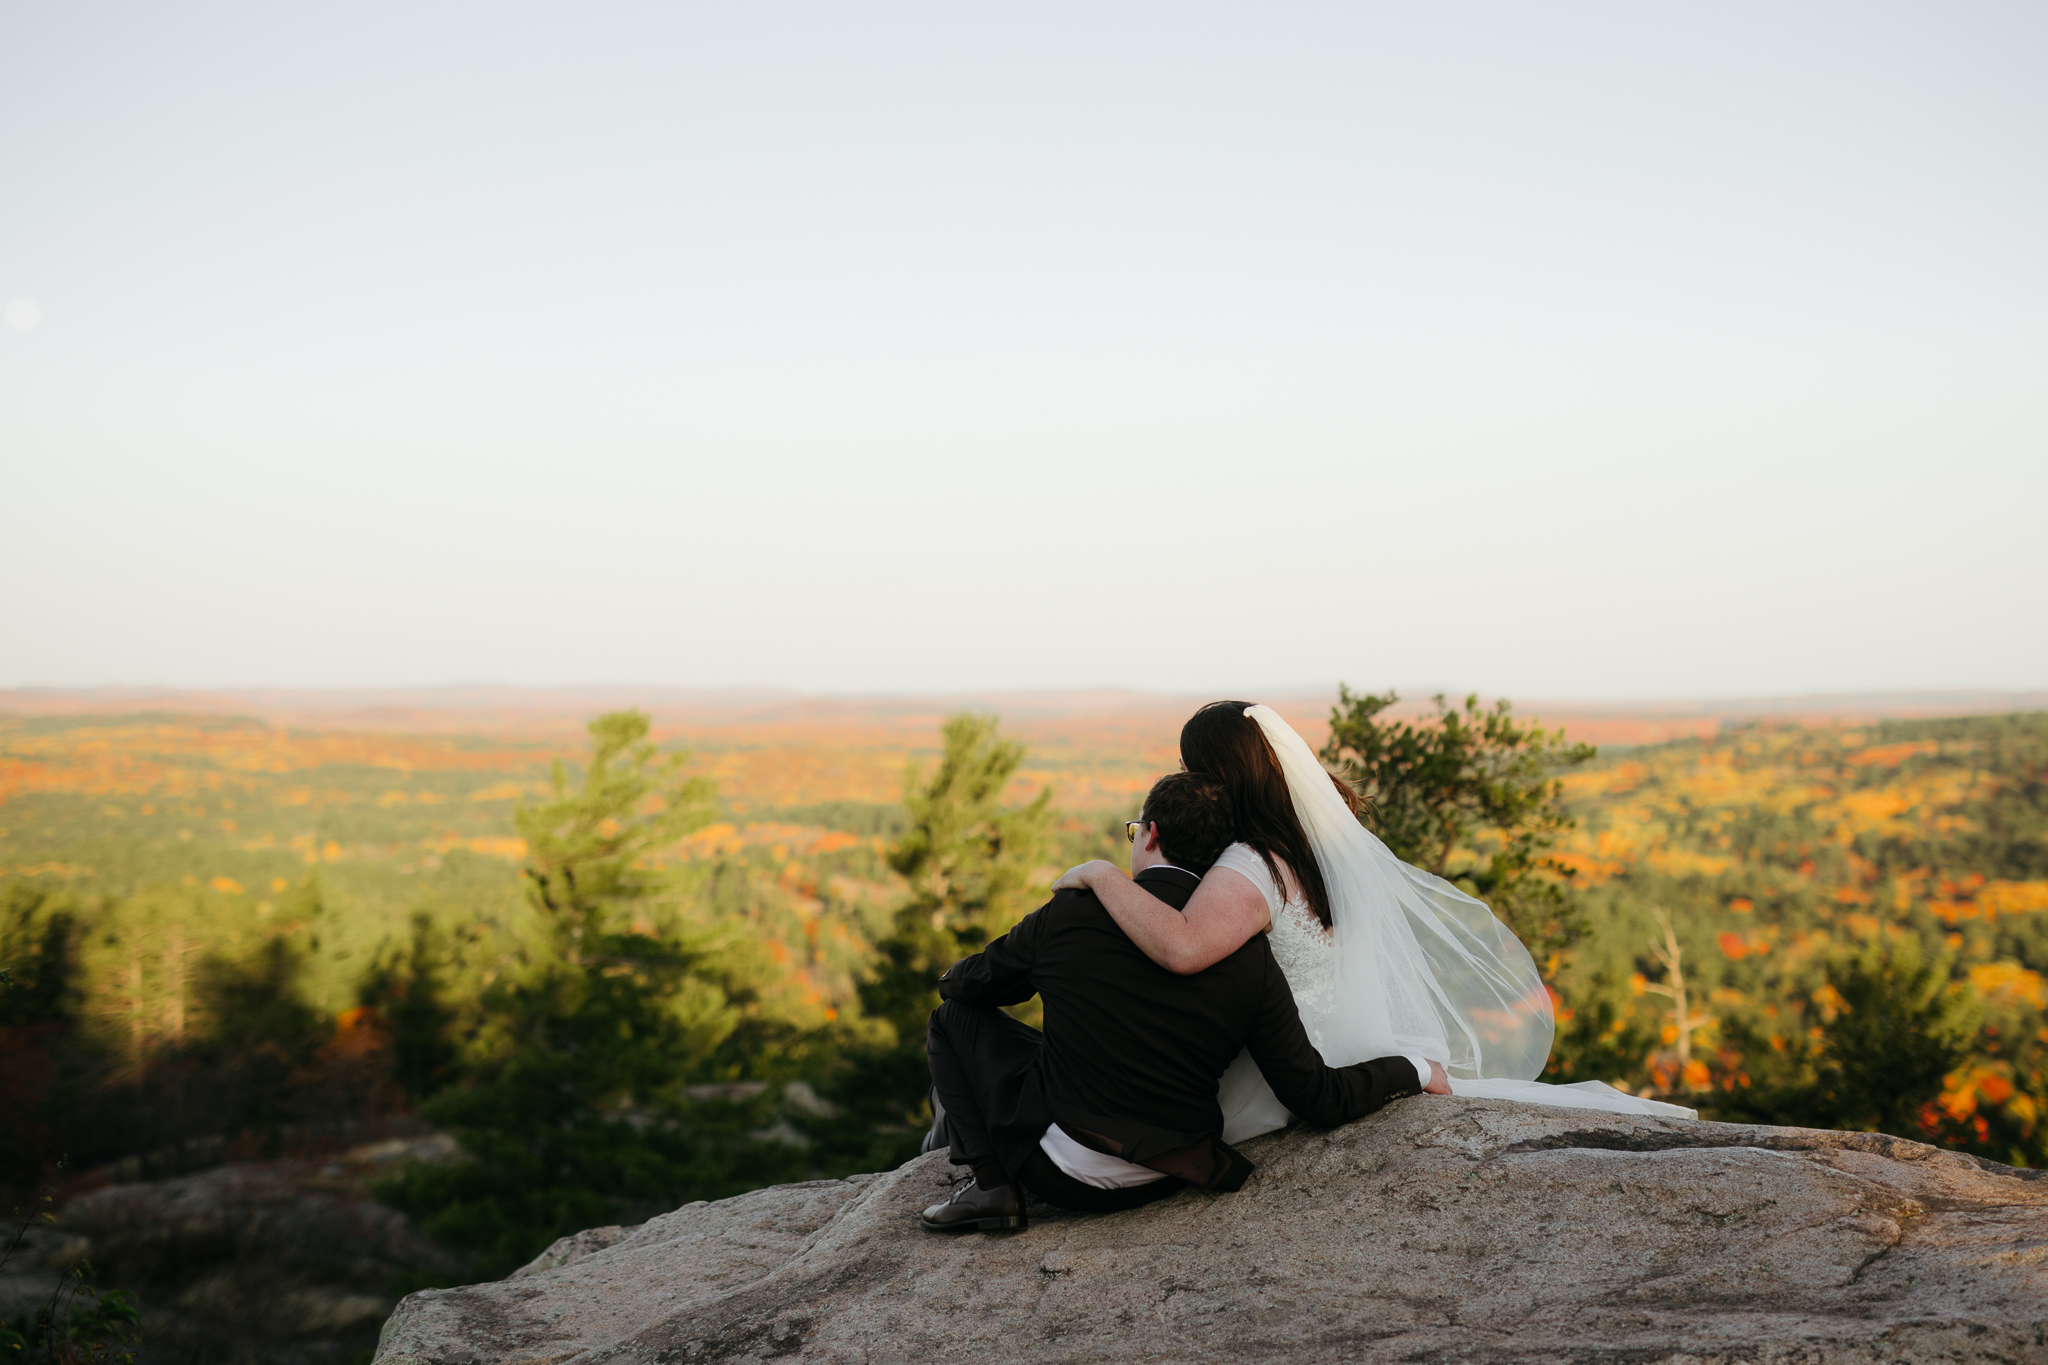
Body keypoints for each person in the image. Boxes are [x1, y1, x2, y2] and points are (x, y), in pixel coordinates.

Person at [1055, 701, 1695, 1135]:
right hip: (1335, 1049)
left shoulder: (1250, 863)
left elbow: (1184, 949)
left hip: (1281, 1077)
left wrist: (1103, 873)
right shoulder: (1313, 849)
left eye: (1198, 771)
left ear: (1221, 776)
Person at [919, 770, 1448, 1233]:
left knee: (952, 1020)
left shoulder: (1072, 912)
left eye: (1134, 830)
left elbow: (973, 988)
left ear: (1151, 833)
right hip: (1169, 1173)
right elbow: (1314, 1094)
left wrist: (951, 977)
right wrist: (1414, 1070)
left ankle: (990, 1187)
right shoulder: (1249, 955)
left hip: (1064, 1172)